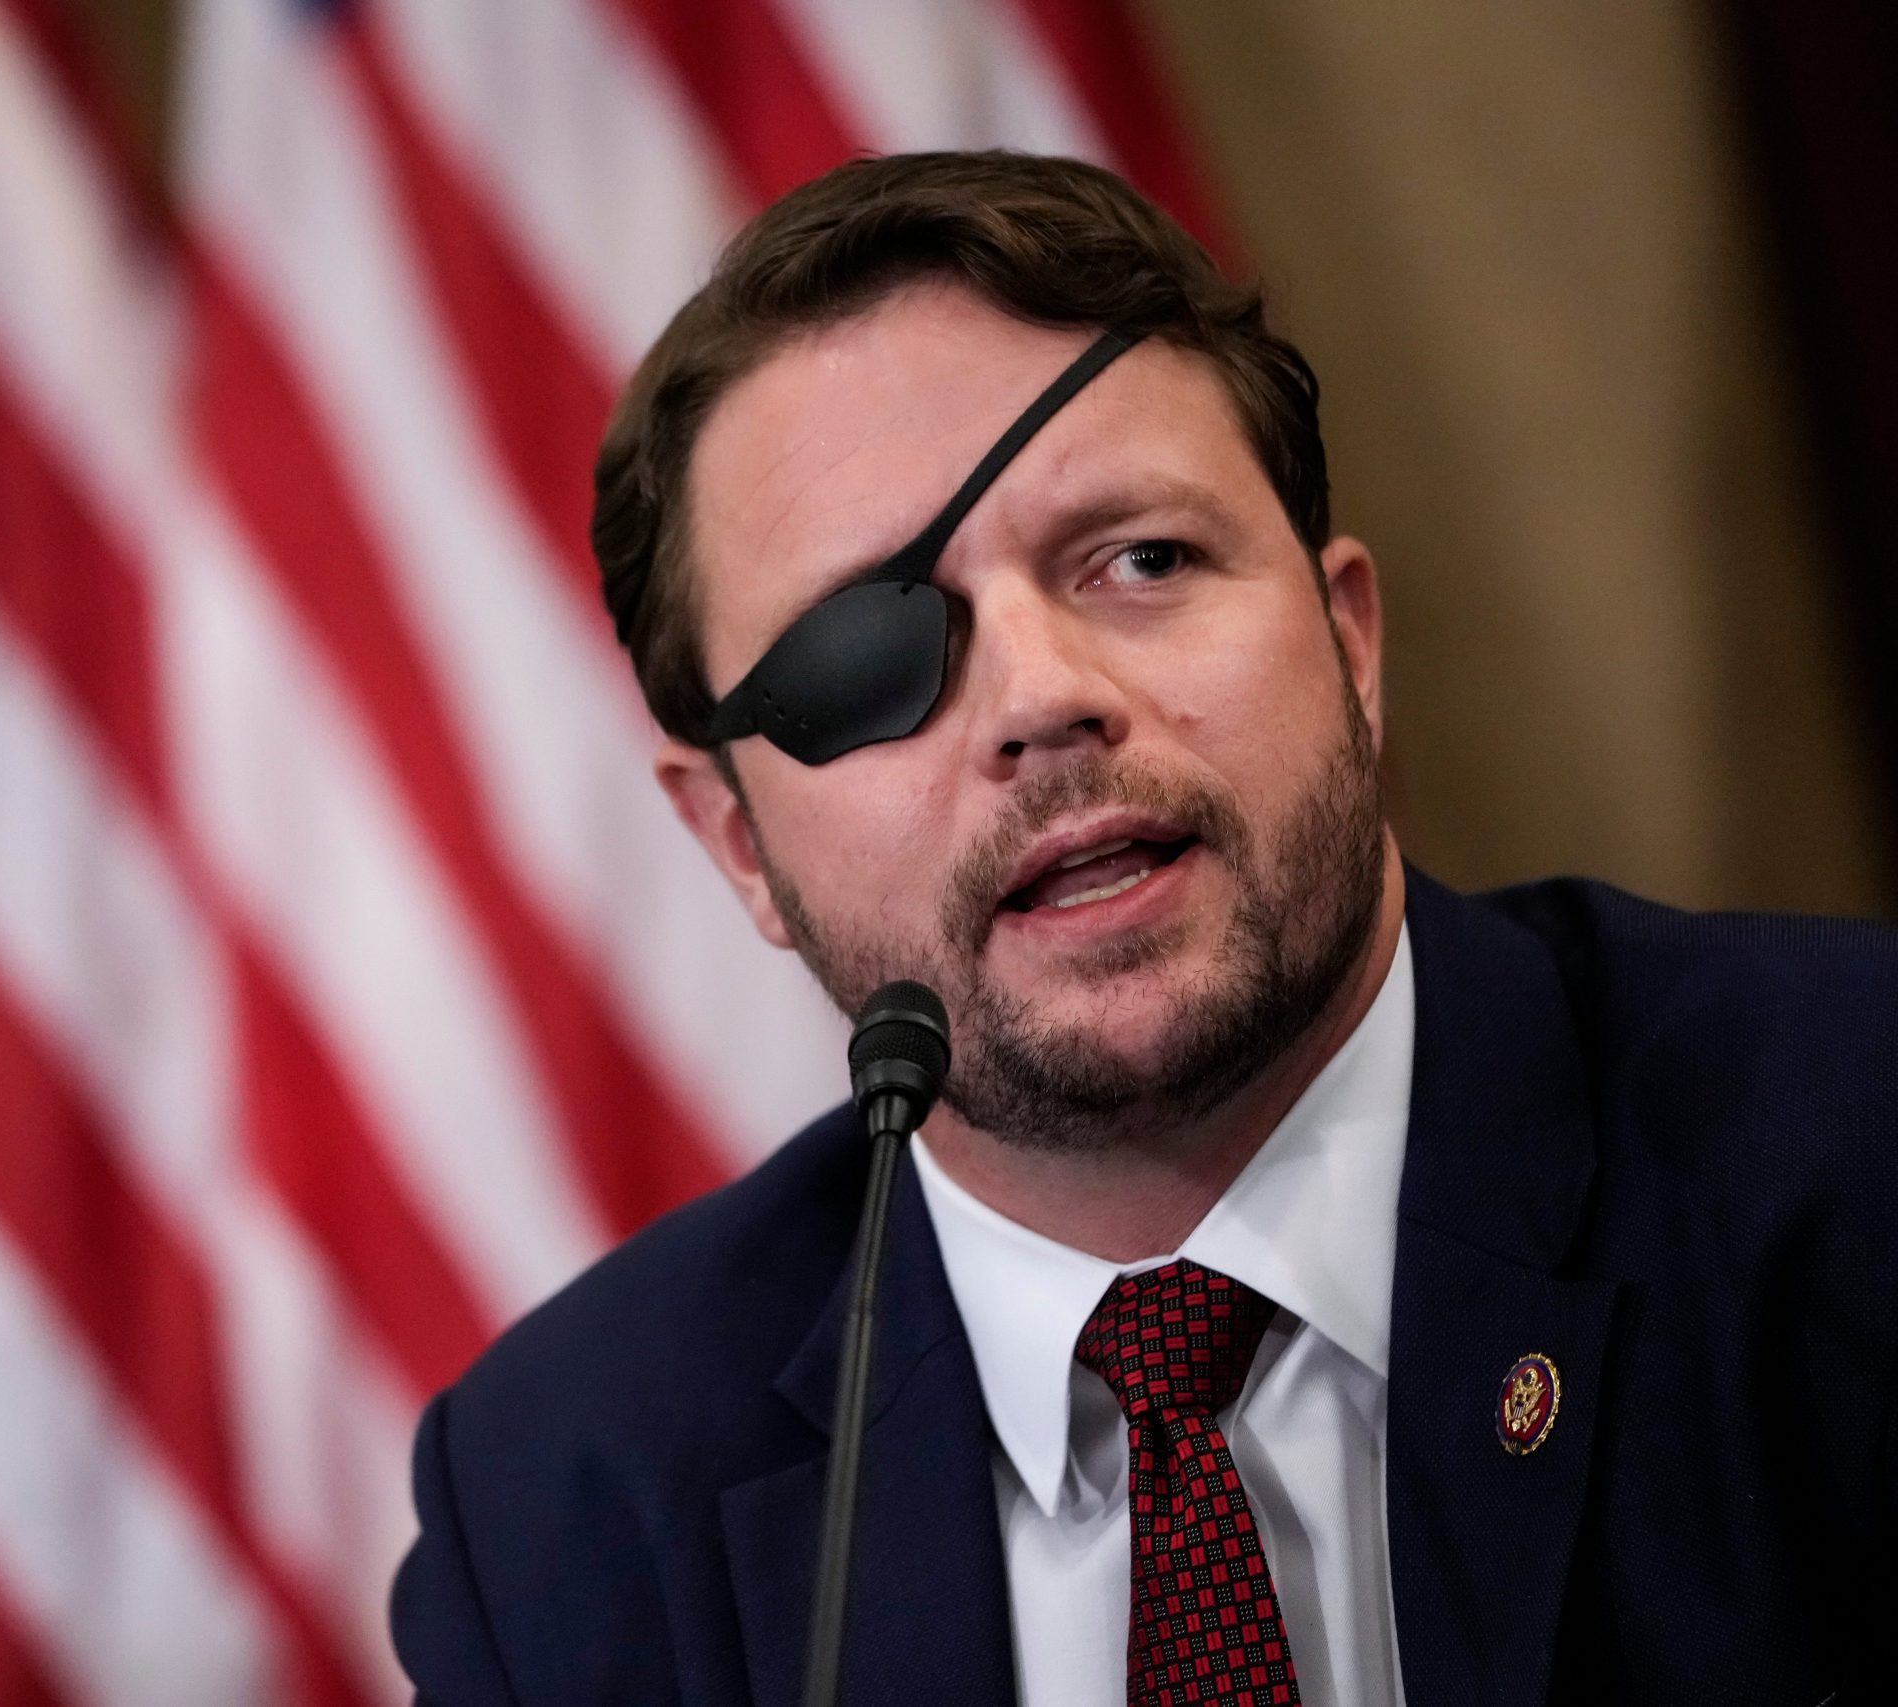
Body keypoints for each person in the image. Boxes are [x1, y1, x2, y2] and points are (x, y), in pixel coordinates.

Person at [387, 151, 1898, 1706]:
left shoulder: (1850, 1142)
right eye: (868, 659)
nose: (1043, 699)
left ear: (1351, 641)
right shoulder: (568, 1510)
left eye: (1143, 561)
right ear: (739, 850)